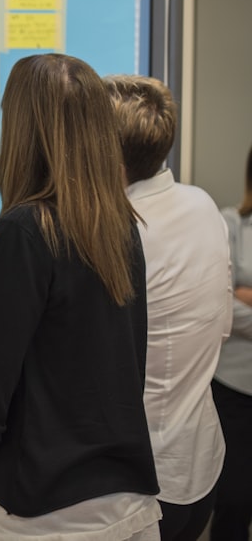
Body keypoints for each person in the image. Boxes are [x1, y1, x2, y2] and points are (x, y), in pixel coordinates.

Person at [0, 54, 161, 540]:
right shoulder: (122, 225)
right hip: (126, 505)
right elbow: (130, 369)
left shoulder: (23, 232)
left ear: (21, 130)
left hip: (34, 513)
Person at [107, 74, 231, 541]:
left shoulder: (116, 233)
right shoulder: (203, 207)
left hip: (138, 491)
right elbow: (219, 326)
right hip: (198, 469)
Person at [211, 143, 252, 541]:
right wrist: (236, 296)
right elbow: (225, 304)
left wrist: (247, 292)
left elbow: (240, 298)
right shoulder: (231, 223)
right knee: (235, 500)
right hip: (234, 386)